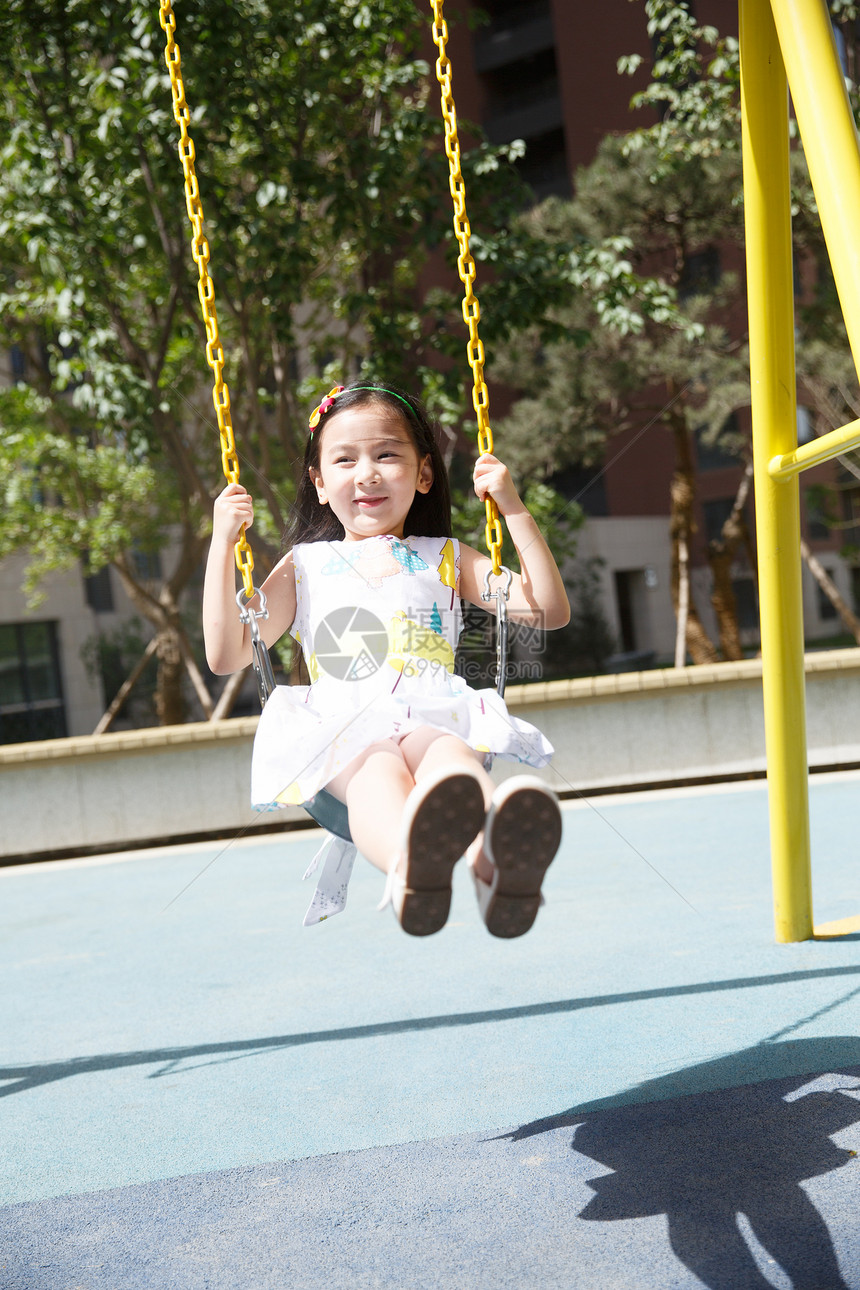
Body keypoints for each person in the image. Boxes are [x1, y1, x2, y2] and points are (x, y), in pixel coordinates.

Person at [203, 382, 570, 937]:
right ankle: (408, 870)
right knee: (377, 770)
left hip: (430, 711)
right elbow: (227, 654)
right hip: (345, 727)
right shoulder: (304, 567)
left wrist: (511, 507)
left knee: (449, 761)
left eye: (387, 455)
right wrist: (221, 541)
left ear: (423, 475)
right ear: (320, 483)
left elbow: (547, 610)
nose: (366, 473)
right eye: (345, 459)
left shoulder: (444, 557)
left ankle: (493, 867)